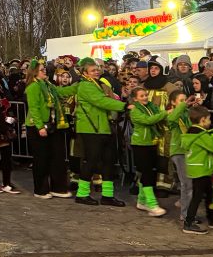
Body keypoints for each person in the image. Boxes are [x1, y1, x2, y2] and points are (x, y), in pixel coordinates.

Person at [74, 57, 127, 207]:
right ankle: (82, 194)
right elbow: (101, 101)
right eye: (93, 70)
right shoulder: (85, 86)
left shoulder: (97, 83)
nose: (97, 72)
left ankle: (107, 195)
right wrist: (124, 106)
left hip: (102, 127)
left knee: (108, 161)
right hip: (91, 128)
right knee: (91, 161)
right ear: (85, 73)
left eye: (97, 69)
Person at [23, 59, 76, 199]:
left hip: (53, 125)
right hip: (38, 126)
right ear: (35, 73)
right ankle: (40, 189)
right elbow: (33, 108)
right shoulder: (33, 87)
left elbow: (62, 91)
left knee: (57, 157)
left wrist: (78, 85)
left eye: (45, 69)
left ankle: (58, 187)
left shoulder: (49, 85)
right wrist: (40, 126)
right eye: (42, 70)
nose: (45, 71)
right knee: (41, 159)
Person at [181, 106, 213, 234]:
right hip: (201, 169)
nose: (210, 122)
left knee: (209, 193)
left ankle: (212, 218)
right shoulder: (201, 135)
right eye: (209, 119)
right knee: (197, 196)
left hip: (200, 168)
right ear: (203, 120)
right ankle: (188, 222)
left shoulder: (192, 132)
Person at [128, 86, 168, 217]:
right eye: (141, 96)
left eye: (145, 95)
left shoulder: (151, 107)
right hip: (140, 144)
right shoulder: (135, 111)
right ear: (135, 99)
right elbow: (149, 120)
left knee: (146, 172)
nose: (145, 97)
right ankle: (151, 204)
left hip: (151, 143)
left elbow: (157, 116)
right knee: (147, 173)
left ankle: (141, 200)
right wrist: (165, 113)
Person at [166, 89, 193, 225]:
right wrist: (183, 106)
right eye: (181, 101)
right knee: (187, 184)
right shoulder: (173, 113)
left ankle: (184, 206)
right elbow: (171, 119)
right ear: (173, 102)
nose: (184, 103)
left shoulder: (186, 113)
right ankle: (186, 215)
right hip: (178, 151)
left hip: (188, 151)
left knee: (190, 183)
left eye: (185, 100)